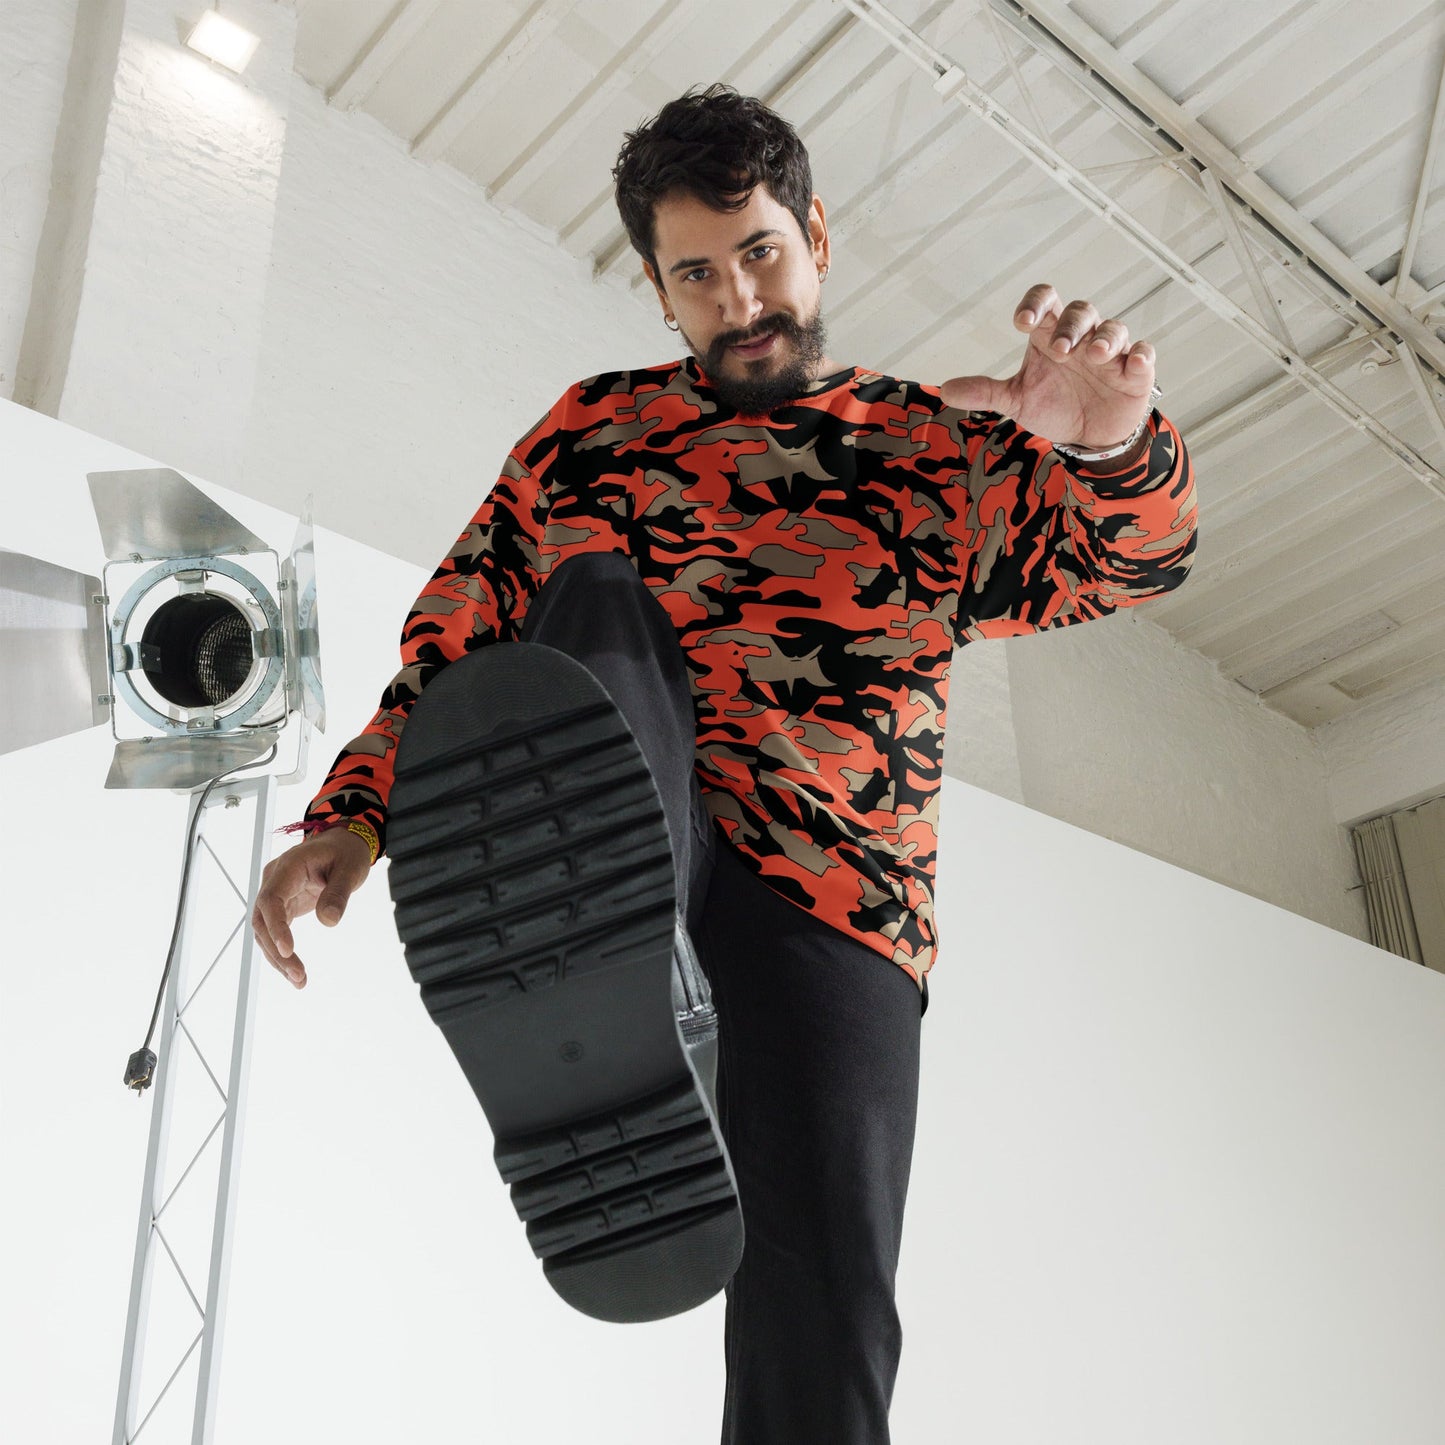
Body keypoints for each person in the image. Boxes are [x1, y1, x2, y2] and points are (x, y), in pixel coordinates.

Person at [252, 83, 1196, 1444]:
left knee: (829, 1304)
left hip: (841, 889)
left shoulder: (930, 445)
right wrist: (353, 817)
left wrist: (1111, 441)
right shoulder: (592, 434)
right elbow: (457, 635)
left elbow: (1126, 561)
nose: (738, 298)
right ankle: (610, 949)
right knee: (590, 603)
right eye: (695, 274)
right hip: (636, 821)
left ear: (816, 237)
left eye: (760, 253)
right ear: (657, 289)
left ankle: (663, 997)